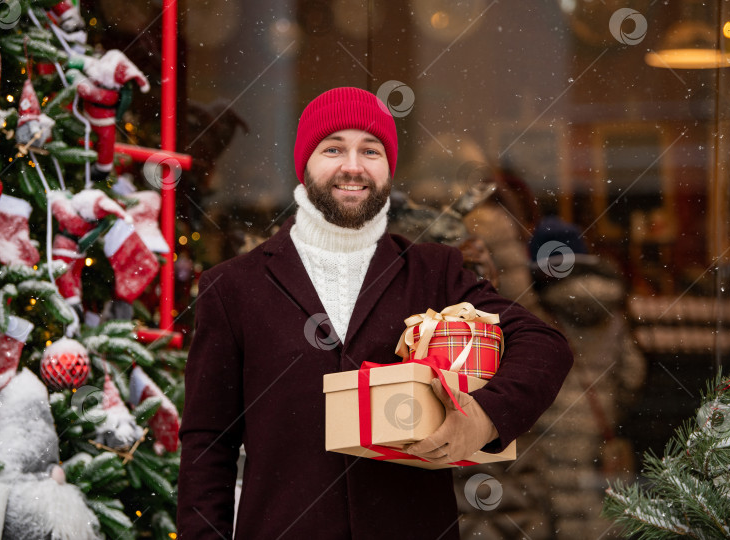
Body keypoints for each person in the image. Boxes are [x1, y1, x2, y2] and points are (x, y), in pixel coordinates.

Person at [177, 87, 573, 539]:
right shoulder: (233, 288)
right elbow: (209, 444)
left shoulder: (434, 272)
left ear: (388, 168)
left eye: (371, 149)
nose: (353, 165)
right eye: (333, 149)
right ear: (304, 166)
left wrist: (484, 417)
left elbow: (545, 345)